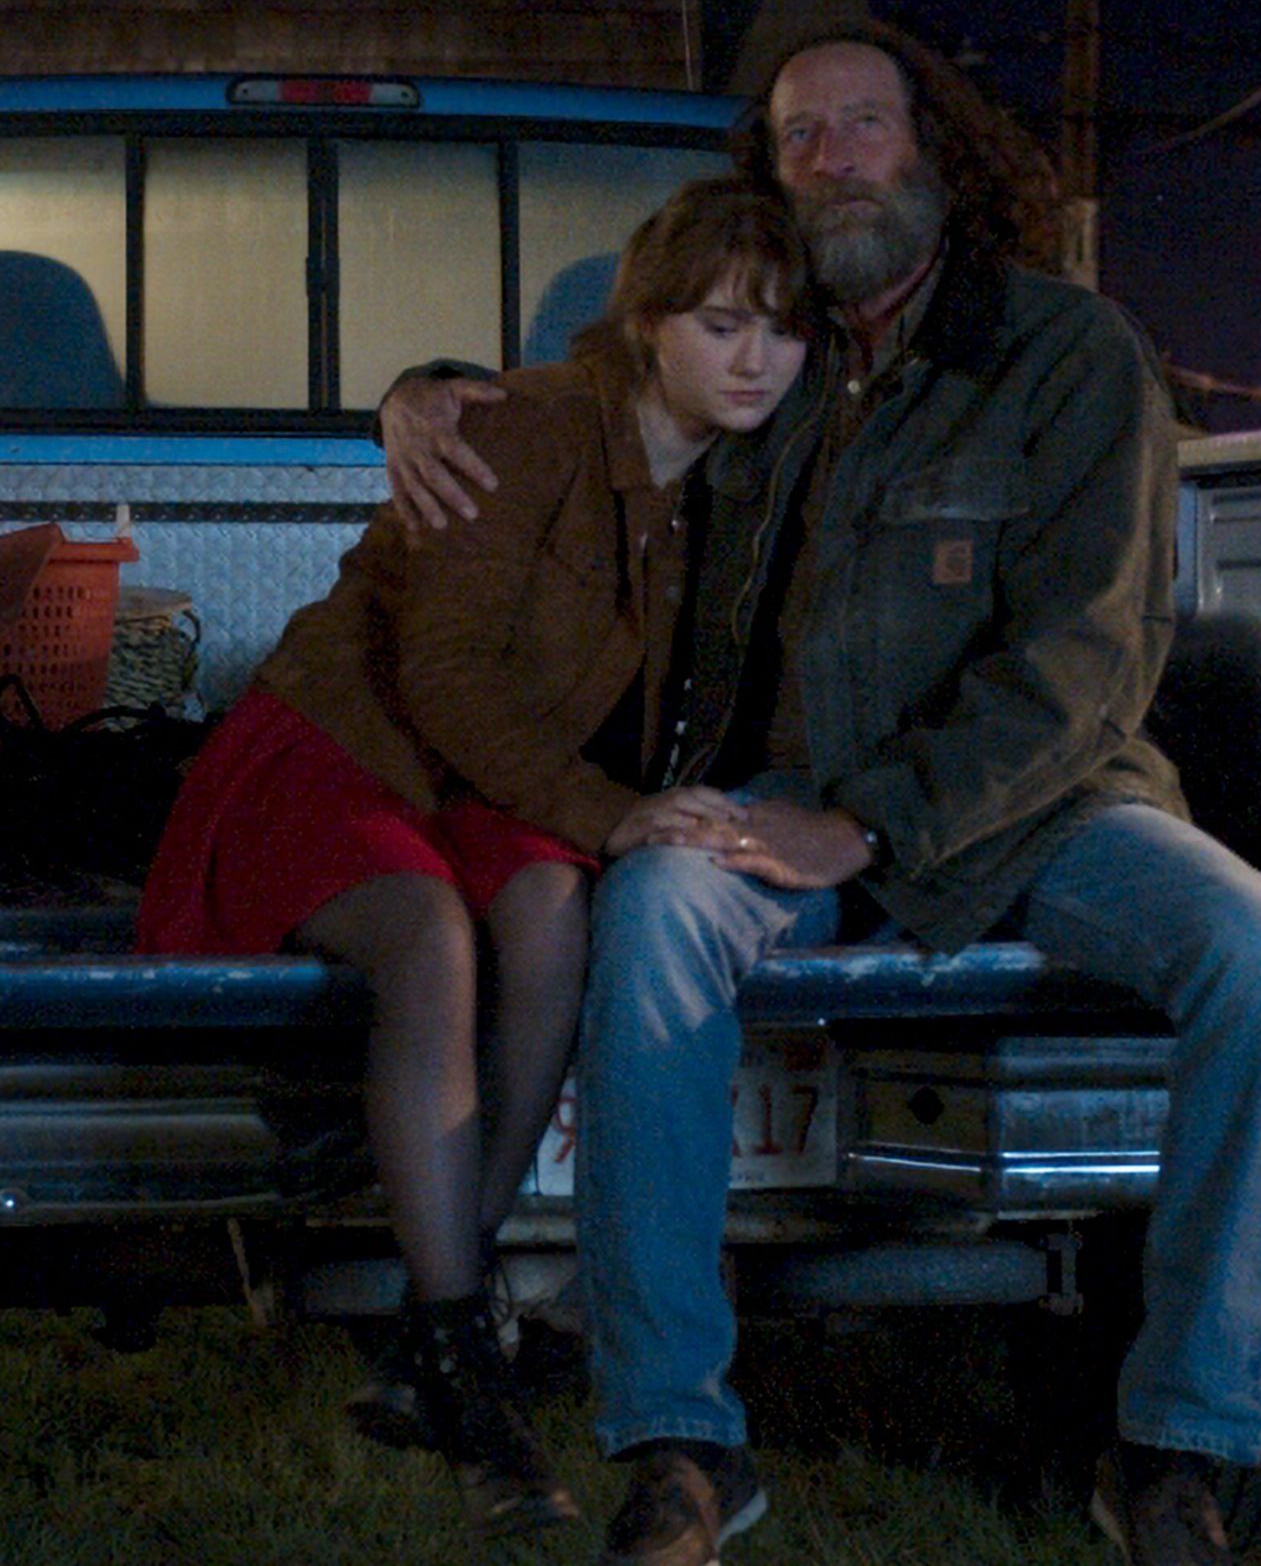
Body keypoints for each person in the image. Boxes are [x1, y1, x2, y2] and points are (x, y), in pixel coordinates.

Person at [378, 23, 1261, 1566]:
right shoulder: (766, 347)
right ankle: (680, 1444)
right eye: (800, 137)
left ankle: (1179, 1451)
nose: (834, 160)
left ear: (934, 149)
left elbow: (1087, 659)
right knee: (659, 908)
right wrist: (424, 394)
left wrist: (872, 822)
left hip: (1045, 807)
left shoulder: (1067, 354)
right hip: (792, 797)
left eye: (864, 124)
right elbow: (593, 394)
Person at [135, 176, 811, 1546]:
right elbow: (440, 674)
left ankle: (430, 1324)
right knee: (431, 943)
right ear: (649, 322)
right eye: (721, 324)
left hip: (478, 776)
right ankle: (465, 1370)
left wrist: (641, 814)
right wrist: (610, 810)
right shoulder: (533, 425)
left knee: (555, 909)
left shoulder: (716, 486)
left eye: (782, 330)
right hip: (344, 743)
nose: (756, 359)